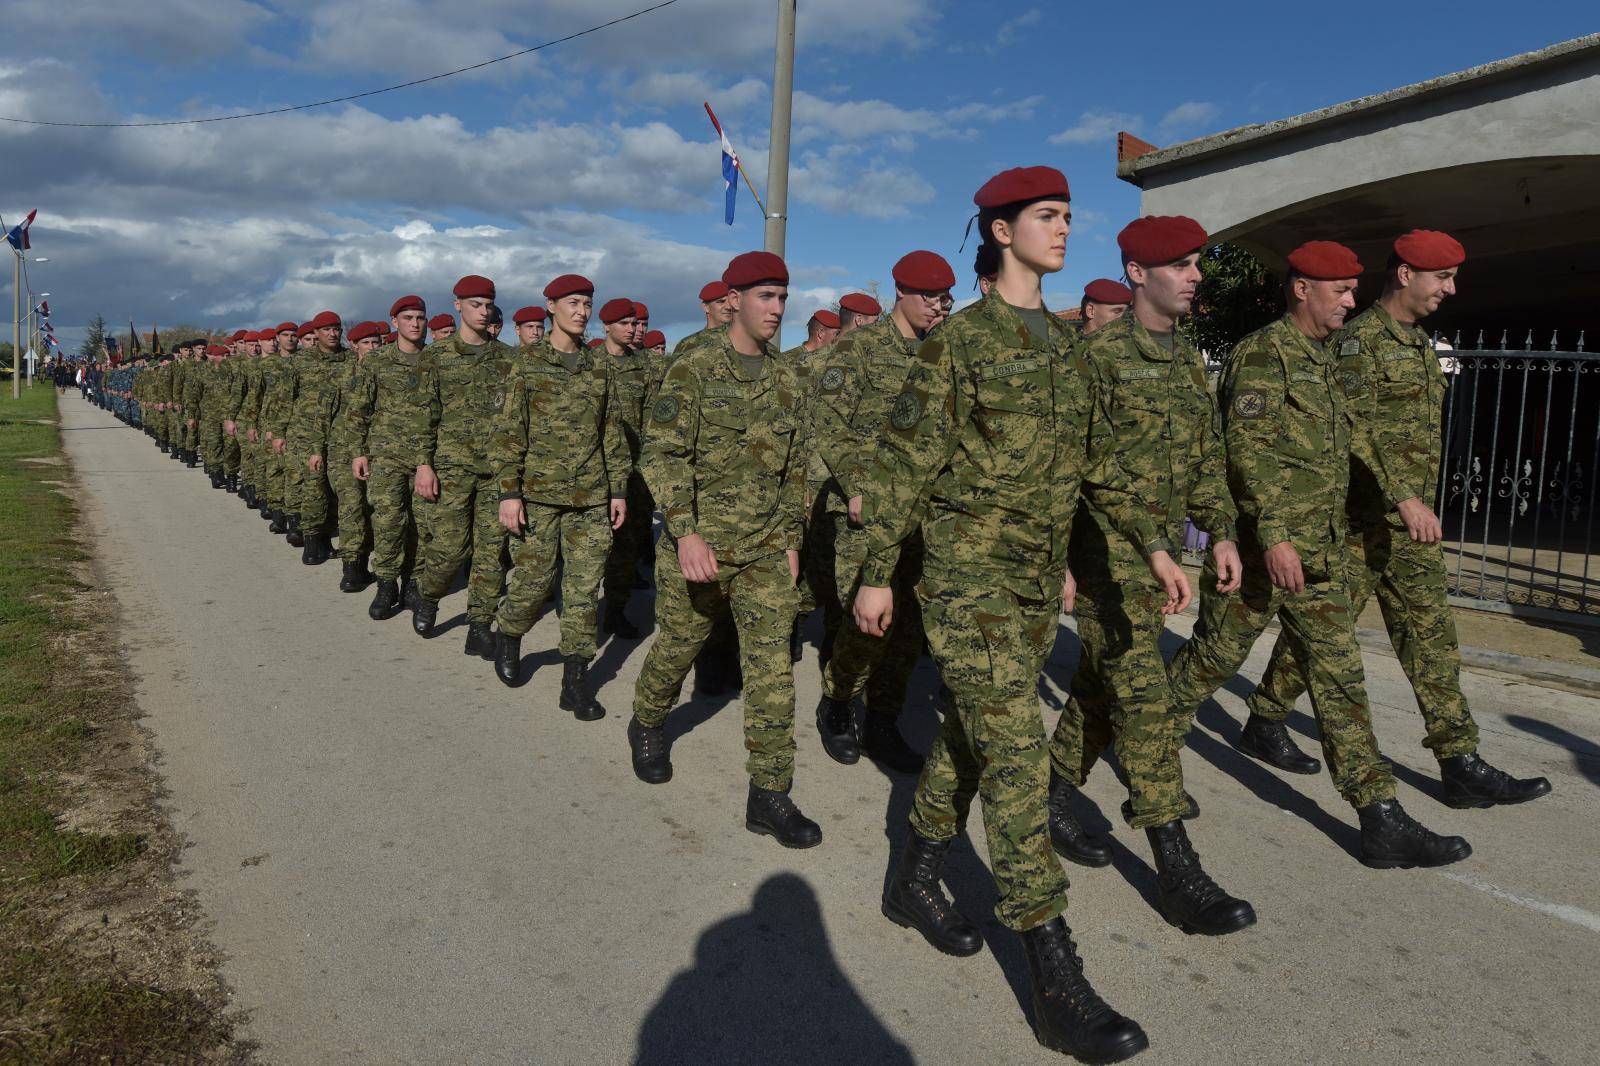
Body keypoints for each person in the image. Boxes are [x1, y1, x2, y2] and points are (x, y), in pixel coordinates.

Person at [854, 167, 1160, 1062]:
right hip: (966, 580)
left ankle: (913, 871)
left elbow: (1100, 465)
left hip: (1032, 585)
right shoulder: (961, 343)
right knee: (1019, 755)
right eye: (1046, 217)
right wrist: (878, 574)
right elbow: (904, 465)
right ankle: (1055, 976)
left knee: (972, 740)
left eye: (1069, 216)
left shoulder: (1071, 348)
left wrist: (1151, 544)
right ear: (999, 232)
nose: (1065, 230)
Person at [1166, 239, 1473, 871]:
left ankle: (1378, 815)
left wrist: (1404, 497)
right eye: (1341, 290)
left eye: (1355, 290)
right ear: (1303, 289)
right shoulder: (1261, 355)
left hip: (1323, 554)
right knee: (1208, 663)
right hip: (1262, 554)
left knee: (1339, 679)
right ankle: (1147, 753)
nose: (1352, 301)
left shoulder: (1328, 357)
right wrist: (1275, 536)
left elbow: (1361, 435)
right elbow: (1247, 454)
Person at [1243, 230, 1551, 808]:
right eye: (1442, 277)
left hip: (1408, 531)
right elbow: (1352, 433)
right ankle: (1264, 717)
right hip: (1359, 524)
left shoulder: (1417, 344)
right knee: (1322, 639)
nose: (1450, 289)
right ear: (1406, 274)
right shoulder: (1357, 345)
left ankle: (1459, 761)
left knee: (1431, 638)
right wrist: (1401, 495)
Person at [1043, 215, 1255, 937]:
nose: (1196, 276)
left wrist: (1222, 531)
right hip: (1106, 560)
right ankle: (1177, 868)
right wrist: (1069, 563)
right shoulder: (1095, 357)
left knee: (1103, 689)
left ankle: (1051, 789)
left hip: (1161, 560)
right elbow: (1075, 470)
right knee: (1143, 702)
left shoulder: (1188, 361)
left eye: (1198, 264)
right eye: (1181, 265)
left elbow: (1205, 457)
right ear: (1137, 273)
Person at [628, 251, 819, 849]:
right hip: (701, 546)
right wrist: (684, 532)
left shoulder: (788, 377)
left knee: (770, 674)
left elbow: (797, 471)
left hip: (764, 550)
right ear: (733, 299)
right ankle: (650, 718)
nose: (777, 309)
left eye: (784, 297)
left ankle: (770, 793)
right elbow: (660, 453)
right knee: (680, 645)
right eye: (767, 296)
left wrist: (790, 539)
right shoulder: (693, 366)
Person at [808, 251, 956, 776]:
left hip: (926, 513)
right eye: (930, 298)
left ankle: (884, 720)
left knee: (910, 625)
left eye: (946, 299)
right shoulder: (860, 349)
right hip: (864, 513)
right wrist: (855, 485)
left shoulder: (944, 352)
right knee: (866, 622)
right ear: (901, 293)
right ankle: (839, 700)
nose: (940, 308)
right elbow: (827, 420)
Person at [490, 275, 629, 716]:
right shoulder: (526, 363)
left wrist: (618, 489)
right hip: (537, 494)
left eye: (588, 303)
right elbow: (509, 432)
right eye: (573, 302)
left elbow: (611, 431)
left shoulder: (599, 366)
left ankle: (576, 680)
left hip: (591, 495)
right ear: (550, 306)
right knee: (534, 583)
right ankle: (509, 633)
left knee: (584, 591)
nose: (582, 311)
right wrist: (509, 493)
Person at [410, 277, 516, 658]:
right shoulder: (435, 358)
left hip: (496, 471)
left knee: (491, 551)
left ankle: (479, 624)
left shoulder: (509, 359)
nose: (483, 311)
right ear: (458, 306)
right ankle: (429, 594)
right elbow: (424, 415)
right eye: (475, 304)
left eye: (488, 305)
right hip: (450, 468)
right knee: (451, 549)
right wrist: (424, 465)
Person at [347, 296, 436, 619]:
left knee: (423, 524)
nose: (416, 323)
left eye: (421, 318)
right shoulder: (376, 361)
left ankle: (414, 582)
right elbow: (359, 409)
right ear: (395, 322)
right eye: (408, 317)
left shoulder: (436, 359)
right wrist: (358, 451)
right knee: (387, 521)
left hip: (428, 459)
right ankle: (386, 583)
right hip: (385, 455)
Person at [594, 298, 651, 640]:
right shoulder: (589, 364)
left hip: (633, 471)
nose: (632, 329)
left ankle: (615, 610)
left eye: (635, 323)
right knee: (590, 547)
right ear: (607, 326)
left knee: (627, 547)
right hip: (592, 470)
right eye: (625, 323)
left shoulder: (643, 367)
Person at [286, 311, 350, 566]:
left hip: (339, 436)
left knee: (334, 492)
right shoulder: (300, 362)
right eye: (326, 330)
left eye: (336, 328)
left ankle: (325, 540)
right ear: (316, 334)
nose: (333, 334)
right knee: (313, 490)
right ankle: (311, 542)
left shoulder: (349, 360)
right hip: (305, 434)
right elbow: (283, 399)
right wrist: (277, 432)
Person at [328, 321, 383, 592]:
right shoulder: (341, 375)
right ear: (354, 346)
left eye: (376, 342)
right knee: (352, 509)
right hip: (344, 451)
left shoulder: (388, 371)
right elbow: (320, 414)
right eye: (367, 343)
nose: (372, 348)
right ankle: (351, 569)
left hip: (380, 452)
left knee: (378, 511)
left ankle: (376, 564)